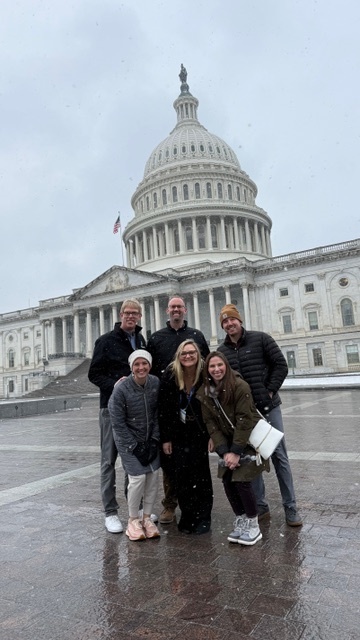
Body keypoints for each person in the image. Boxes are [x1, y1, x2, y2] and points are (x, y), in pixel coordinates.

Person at [218, 304, 302, 526]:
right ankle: (261, 506)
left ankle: (291, 508)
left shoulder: (261, 339)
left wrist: (269, 391)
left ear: (239, 320)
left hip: (268, 409)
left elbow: (280, 365)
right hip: (245, 417)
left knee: (279, 457)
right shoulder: (222, 352)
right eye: (225, 322)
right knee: (251, 460)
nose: (229, 324)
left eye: (231, 320)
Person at [147, 295, 209, 524]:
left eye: (179, 307)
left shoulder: (197, 337)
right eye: (173, 307)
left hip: (195, 407)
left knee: (195, 460)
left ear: (186, 310)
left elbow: (208, 367)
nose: (176, 310)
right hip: (168, 405)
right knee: (170, 460)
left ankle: (195, 503)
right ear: (167, 311)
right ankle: (170, 504)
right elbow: (149, 371)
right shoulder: (156, 339)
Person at [197, 352, 269, 545]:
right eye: (212, 367)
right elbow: (210, 423)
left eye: (220, 365)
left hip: (246, 440)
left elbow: (244, 420)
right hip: (226, 443)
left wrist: (236, 451)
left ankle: (253, 524)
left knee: (242, 481)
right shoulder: (205, 392)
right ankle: (241, 519)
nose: (216, 369)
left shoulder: (239, 386)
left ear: (226, 366)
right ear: (207, 370)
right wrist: (224, 451)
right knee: (227, 480)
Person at [88, 298, 146, 533]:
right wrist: (115, 385)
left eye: (135, 313)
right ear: (121, 315)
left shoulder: (140, 341)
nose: (131, 316)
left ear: (140, 316)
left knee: (132, 459)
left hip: (133, 410)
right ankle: (110, 512)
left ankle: (135, 507)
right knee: (109, 460)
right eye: (127, 313)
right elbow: (94, 374)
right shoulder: (105, 341)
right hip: (110, 408)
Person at [158, 339, 213, 534]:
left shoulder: (206, 375)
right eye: (184, 353)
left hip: (199, 431)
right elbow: (163, 409)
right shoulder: (170, 375)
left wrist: (213, 435)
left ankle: (204, 517)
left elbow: (214, 407)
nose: (188, 356)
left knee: (202, 476)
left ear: (198, 355)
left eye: (192, 353)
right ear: (178, 356)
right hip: (178, 432)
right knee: (182, 477)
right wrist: (166, 438)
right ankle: (188, 516)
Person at [108, 350, 161, 541]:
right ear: (131, 367)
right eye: (137, 364)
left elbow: (157, 413)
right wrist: (134, 446)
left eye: (144, 364)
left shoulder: (154, 383)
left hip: (150, 439)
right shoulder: (121, 389)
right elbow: (117, 422)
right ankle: (133, 520)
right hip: (129, 442)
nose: (141, 368)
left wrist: (154, 440)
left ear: (150, 365)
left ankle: (147, 518)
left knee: (153, 476)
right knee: (137, 479)